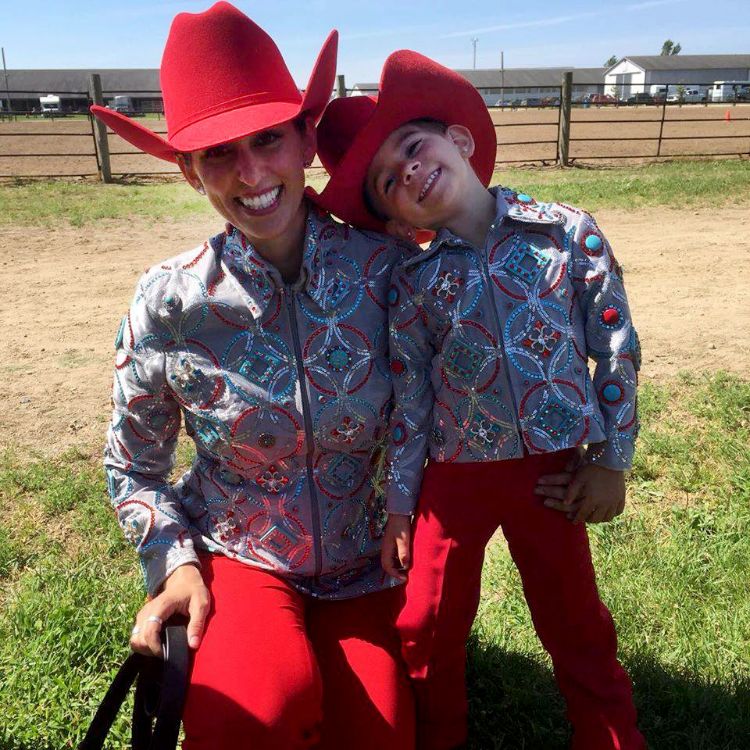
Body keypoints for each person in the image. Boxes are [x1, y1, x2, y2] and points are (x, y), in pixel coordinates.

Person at [92, 4, 417, 748]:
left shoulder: (388, 271)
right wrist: (172, 563)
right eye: (217, 153)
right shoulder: (170, 301)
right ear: (187, 169)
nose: (251, 173)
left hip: (365, 560)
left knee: (382, 739)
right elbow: (131, 465)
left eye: (268, 138)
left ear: (306, 135)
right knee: (254, 718)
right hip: (241, 552)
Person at [314, 51, 646, 750]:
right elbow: (410, 397)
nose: (407, 170)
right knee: (426, 623)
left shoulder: (566, 234)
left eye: (412, 147)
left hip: (551, 475)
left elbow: (615, 348)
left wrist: (611, 460)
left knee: (575, 621)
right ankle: (440, 736)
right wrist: (402, 503)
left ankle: (611, 735)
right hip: (453, 478)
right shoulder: (414, 280)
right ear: (393, 217)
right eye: (386, 181)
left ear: (460, 140)